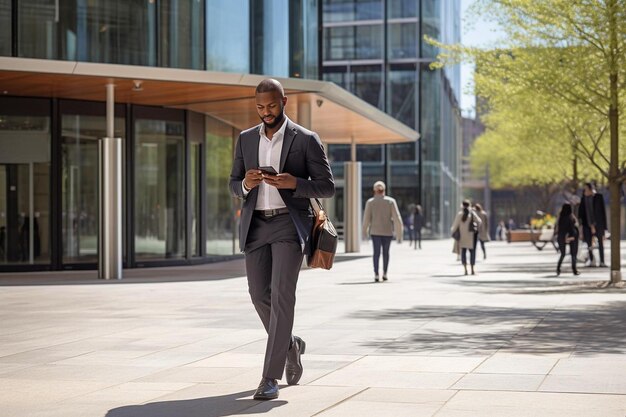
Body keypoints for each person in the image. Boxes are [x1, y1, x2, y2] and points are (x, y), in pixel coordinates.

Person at [229, 79, 335, 401]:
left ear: (284, 101)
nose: (266, 112)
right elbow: (233, 184)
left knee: (281, 297)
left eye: (272, 106)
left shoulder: (306, 139)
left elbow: (327, 186)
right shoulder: (246, 139)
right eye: (260, 107)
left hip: (290, 226)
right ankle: (290, 346)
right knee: (258, 294)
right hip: (256, 226)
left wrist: (294, 183)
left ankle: (270, 377)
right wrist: (245, 184)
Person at [362, 181, 403, 282]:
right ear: (384, 190)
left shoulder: (370, 202)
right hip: (387, 232)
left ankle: (376, 274)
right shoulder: (390, 201)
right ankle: (385, 273)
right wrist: (399, 234)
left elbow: (366, 219)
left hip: (375, 232)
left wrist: (364, 232)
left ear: (374, 190)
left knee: (376, 253)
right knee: (386, 253)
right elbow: (397, 218)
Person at [578, 182, 607, 267]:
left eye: (586, 189)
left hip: (598, 224)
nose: (585, 191)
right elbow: (581, 214)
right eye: (584, 190)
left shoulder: (598, 197)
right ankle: (592, 261)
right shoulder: (583, 199)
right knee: (589, 244)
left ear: (591, 189)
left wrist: (605, 227)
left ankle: (602, 261)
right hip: (587, 225)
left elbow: (603, 212)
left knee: (601, 243)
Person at [451, 200, 482, 275]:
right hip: (472, 236)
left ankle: (465, 270)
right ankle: (472, 270)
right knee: (472, 253)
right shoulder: (472, 213)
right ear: (469, 205)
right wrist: (476, 228)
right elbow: (479, 221)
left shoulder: (460, 214)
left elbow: (455, 226)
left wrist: (453, 232)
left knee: (463, 253)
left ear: (462, 205)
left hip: (462, 237)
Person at [555, 203, 580, 276]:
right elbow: (574, 227)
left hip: (562, 236)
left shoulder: (560, 218)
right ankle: (574, 270)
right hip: (572, 236)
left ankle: (558, 268)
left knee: (563, 254)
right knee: (573, 254)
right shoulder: (571, 217)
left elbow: (557, 228)